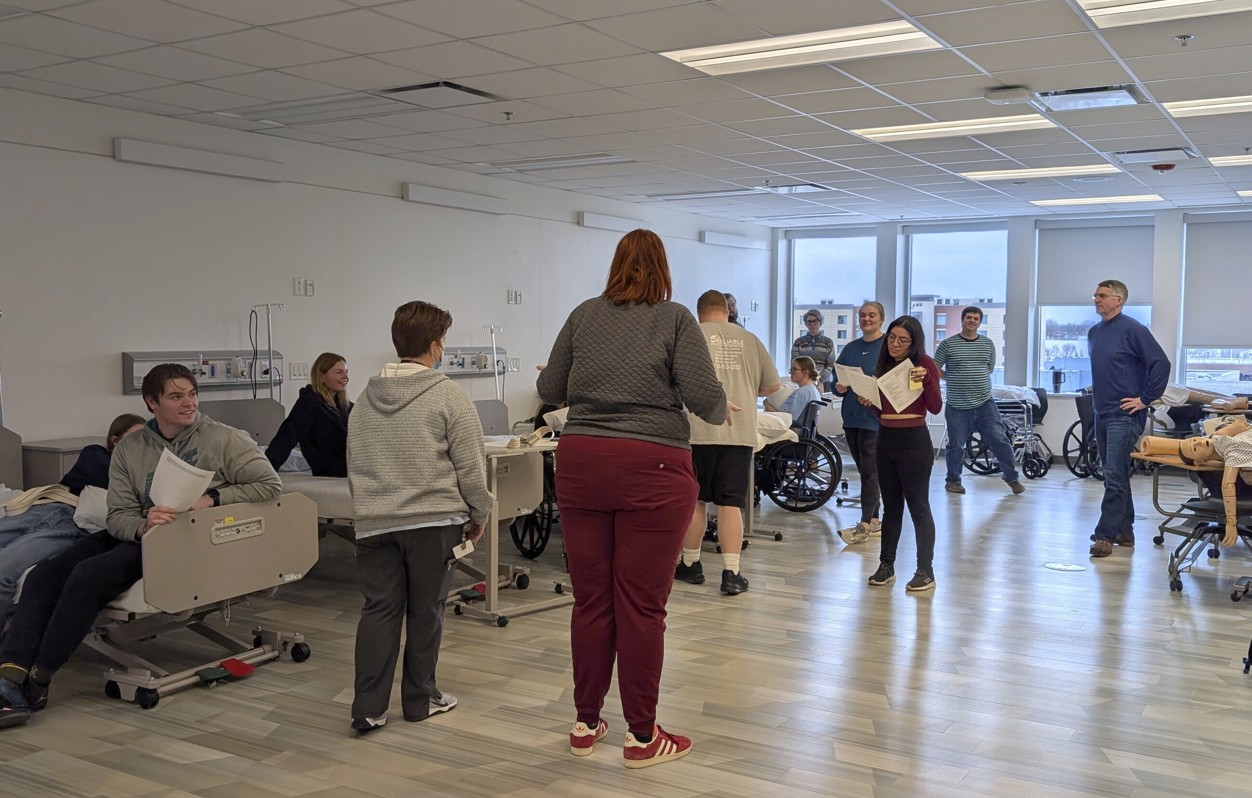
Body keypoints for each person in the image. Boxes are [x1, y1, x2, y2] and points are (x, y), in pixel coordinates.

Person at [537, 229, 730, 769]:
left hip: (580, 462)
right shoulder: (673, 319)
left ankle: (585, 721)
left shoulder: (583, 314)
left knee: (591, 600)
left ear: (616, 265)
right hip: (652, 467)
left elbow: (551, 387)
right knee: (642, 607)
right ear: (663, 268)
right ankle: (641, 736)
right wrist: (720, 410)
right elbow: (706, 399)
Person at [0, 364, 281, 727]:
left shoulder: (224, 439)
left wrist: (212, 498)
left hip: (186, 537)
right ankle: (10, 678)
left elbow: (269, 484)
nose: (188, 403)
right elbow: (117, 514)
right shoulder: (131, 449)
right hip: (139, 530)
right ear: (152, 403)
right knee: (44, 574)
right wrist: (141, 525)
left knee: (88, 576)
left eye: (192, 394)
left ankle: (39, 677)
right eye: (176, 396)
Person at [347, 301, 492, 735]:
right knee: (425, 612)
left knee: (378, 611)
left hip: (375, 523)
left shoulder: (362, 402)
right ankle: (420, 699)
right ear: (434, 346)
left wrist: (367, 513)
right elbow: (471, 467)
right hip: (433, 522)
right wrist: (480, 512)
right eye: (443, 341)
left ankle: (368, 709)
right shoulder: (450, 396)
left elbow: (353, 464)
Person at [676, 290, 779, 596]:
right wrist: (745, 388)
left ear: (699, 312)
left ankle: (691, 565)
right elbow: (771, 385)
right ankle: (731, 573)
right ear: (726, 311)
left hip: (696, 431)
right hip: (739, 434)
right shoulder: (750, 339)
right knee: (730, 502)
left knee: (696, 500)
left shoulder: (690, 336)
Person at [0, 413, 145, 629]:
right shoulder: (95, 454)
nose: (142, 446)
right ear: (115, 441)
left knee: (3, 570)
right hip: (49, 508)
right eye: (136, 438)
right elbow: (105, 478)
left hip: (73, 526)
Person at [859, 316, 943, 592]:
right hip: (887, 441)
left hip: (915, 443)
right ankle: (886, 565)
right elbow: (884, 412)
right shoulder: (883, 367)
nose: (895, 344)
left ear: (914, 342)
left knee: (918, 506)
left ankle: (925, 570)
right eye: (892, 338)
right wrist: (870, 402)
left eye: (902, 340)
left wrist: (928, 379)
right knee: (892, 508)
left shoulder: (925, 365)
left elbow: (935, 407)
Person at [1087, 280, 1170, 558]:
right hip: (1101, 411)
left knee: (1113, 473)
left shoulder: (1134, 330)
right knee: (1116, 474)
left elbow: (1161, 362)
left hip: (1125, 414)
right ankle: (1124, 531)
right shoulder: (1095, 332)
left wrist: (1146, 398)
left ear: (1119, 300)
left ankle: (1105, 535)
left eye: (1102, 296)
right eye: (1096, 295)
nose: (1096, 299)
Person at [933, 306, 1025, 497]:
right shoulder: (948, 344)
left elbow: (989, 368)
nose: (972, 321)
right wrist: (949, 377)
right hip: (957, 405)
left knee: (1000, 440)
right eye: (968, 318)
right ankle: (953, 481)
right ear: (962, 320)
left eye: (975, 318)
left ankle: (1012, 478)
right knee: (956, 446)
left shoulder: (987, 344)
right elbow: (935, 367)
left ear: (979, 322)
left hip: (985, 403)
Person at [833, 301, 886, 544]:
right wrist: (839, 387)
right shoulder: (851, 348)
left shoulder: (887, 347)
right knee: (864, 469)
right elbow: (837, 384)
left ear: (881, 319)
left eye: (871, 315)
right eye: (863, 315)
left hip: (875, 419)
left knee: (871, 470)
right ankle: (875, 520)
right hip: (852, 417)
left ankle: (864, 523)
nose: (866, 319)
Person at [265, 352, 352, 477]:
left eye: (346, 372)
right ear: (322, 377)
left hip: (352, 470)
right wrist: (264, 472)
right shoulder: (309, 403)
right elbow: (286, 437)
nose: (345, 377)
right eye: (339, 372)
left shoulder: (344, 406)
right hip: (334, 473)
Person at [766, 357, 822, 422]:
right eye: (791, 369)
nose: (790, 372)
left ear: (806, 372)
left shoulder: (801, 393)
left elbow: (786, 420)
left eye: (794, 369)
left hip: (794, 430)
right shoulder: (814, 390)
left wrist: (768, 407)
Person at [792, 309, 835, 391]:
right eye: (809, 322)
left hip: (823, 384)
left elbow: (830, 366)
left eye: (815, 321)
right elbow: (795, 365)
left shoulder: (828, 342)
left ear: (820, 323)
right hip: (803, 384)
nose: (812, 324)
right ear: (806, 324)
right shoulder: (798, 342)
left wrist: (817, 380)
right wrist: (807, 381)